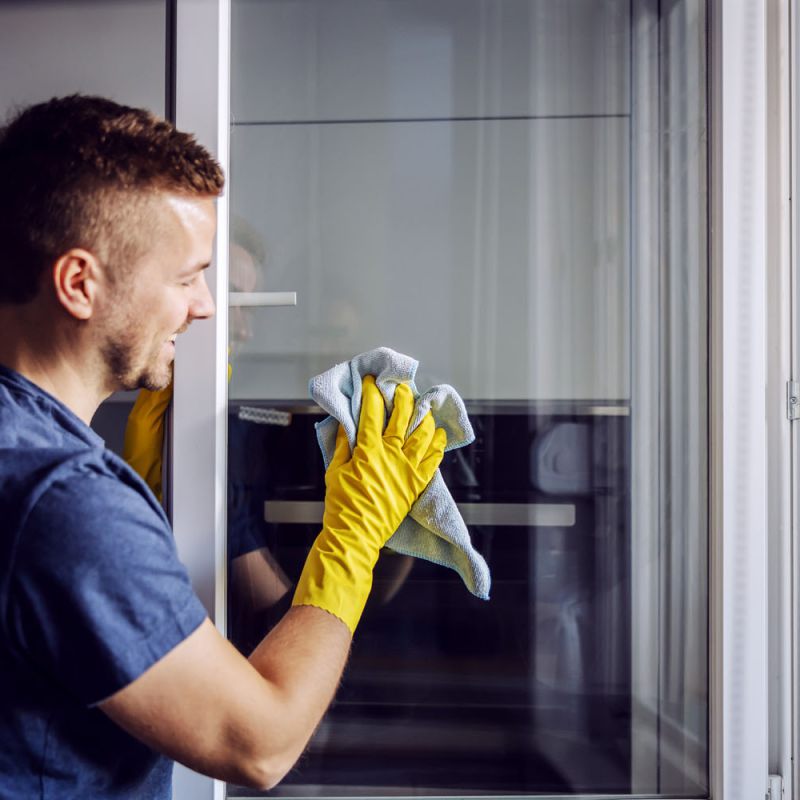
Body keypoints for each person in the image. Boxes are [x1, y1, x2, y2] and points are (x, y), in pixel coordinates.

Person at [0, 94, 446, 799]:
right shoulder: (64, 498)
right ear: (79, 284)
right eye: (186, 278)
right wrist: (353, 538)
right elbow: (261, 744)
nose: (205, 307)